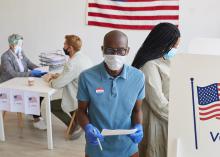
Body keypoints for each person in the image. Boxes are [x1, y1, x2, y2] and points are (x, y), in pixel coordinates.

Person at [77, 30, 145, 157]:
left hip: (128, 148)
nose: (115, 55)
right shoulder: (87, 77)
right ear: (102, 49)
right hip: (97, 147)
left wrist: (138, 126)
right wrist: (87, 127)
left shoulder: (138, 77)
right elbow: (81, 111)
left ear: (128, 51)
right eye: (110, 50)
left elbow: (137, 110)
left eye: (121, 51)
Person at [132, 23, 181, 157]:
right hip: (157, 122)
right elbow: (158, 104)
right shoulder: (149, 66)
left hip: (167, 120)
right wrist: (180, 117)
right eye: (174, 46)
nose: (176, 49)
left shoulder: (164, 62)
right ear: (163, 43)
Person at [43, 35, 93, 139]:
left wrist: (50, 79)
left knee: (48, 105)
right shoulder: (84, 58)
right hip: (88, 97)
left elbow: (57, 84)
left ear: (70, 48)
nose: (63, 46)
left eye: (65, 44)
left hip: (77, 99)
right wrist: (58, 76)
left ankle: (73, 124)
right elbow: (72, 76)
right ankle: (77, 121)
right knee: (64, 101)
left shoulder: (72, 63)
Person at [0, 34, 47, 130]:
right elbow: (12, 74)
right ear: (13, 45)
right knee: (33, 92)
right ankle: (36, 118)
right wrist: (31, 74)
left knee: (40, 91)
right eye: (20, 44)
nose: (21, 46)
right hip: (9, 83)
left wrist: (40, 69)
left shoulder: (20, 52)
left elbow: (29, 63)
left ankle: (33, 111)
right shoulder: (5, 57)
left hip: (21, 80)